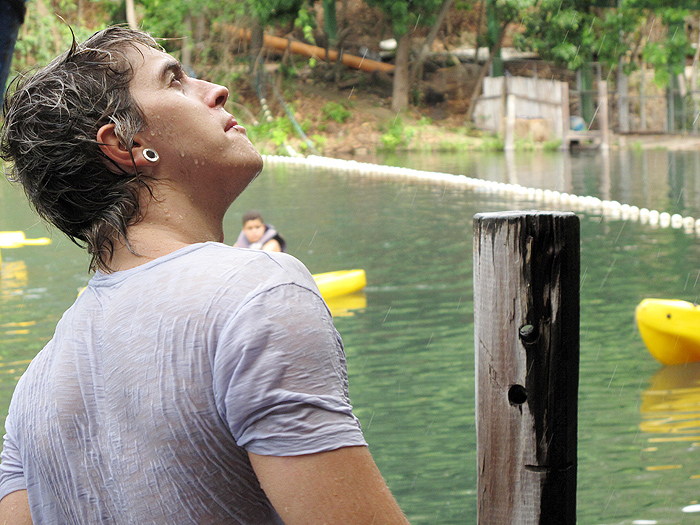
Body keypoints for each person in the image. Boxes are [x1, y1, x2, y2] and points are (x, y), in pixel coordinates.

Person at [0, 26, 408, 524]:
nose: (215, 89)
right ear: (126, 144)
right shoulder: (255, 294)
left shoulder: (32, 392)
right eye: (174, 80)